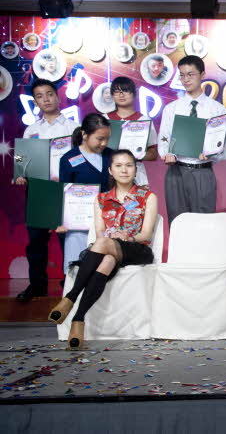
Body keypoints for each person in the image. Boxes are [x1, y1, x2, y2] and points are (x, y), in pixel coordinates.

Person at [47, 149, 158, 350]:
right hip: (109, 247)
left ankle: (70, 297)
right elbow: (100, 233)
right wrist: (111, 237)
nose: (124, 170)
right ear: (110, 170)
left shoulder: (147, 196)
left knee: (103, 245)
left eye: (129, 165)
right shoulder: (101, 199)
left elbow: (146, 235)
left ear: (135, 169)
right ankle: (78, 320)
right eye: (118, 166)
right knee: (106, 259)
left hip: (136, 249)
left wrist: (127, 236)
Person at [14, 79, 80, 301]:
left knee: (69, 239)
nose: (46, 99)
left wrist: (69, 174)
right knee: (36, 241)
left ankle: (70, 282)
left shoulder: (73, 128)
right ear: (35, 102)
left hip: (66, 189)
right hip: (39, 190)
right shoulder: (31, 130)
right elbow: (22, 157)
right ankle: (37, 285)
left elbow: (81, 157)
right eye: (40, 96)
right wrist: (20, 174)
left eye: (49, 94)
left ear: (58, 97)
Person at [157, 55, 226, 225]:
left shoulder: (217, 109)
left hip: (203, 172)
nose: (186, 79)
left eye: (191, 74)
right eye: (182, 75)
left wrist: (213, 154)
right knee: (177, 222)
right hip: (176, 171)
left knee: (203, 224)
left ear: (202, 74)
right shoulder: (171, 109)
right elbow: (164, 138)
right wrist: (166, 153)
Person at [57, 113, 114, 271]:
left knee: (103, 269)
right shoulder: (68, 159)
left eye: (107, 139)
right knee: (77, 268)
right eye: (100, 139)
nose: (104, 143)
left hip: (107, 222)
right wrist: (61, 220)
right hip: (78, 224)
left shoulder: (111, 155)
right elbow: (63, 192)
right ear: (84, 134)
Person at [106, 76, 158, 186]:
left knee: (138, 198)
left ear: (134, 94)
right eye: (117, 91)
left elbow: (153, 154)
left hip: (136, 173)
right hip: (108, 173)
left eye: (125, 90)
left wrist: (138, 154)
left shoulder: (144, 120)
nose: (121, 95)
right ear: (112, 95)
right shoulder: (103, 119)